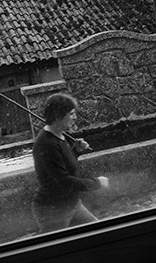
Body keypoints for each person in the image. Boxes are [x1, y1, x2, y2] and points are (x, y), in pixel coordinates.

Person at [31, 93, 109, 234]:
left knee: (100, 233)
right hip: (53, 210)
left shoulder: (59, 136)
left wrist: (75, 151)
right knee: (55, 246)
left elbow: (63, 165)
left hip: (71, 204)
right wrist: (96, 183)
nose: (75, 117)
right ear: (58, 116)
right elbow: (63, 181)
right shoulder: (47, 144)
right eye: (71, 114)